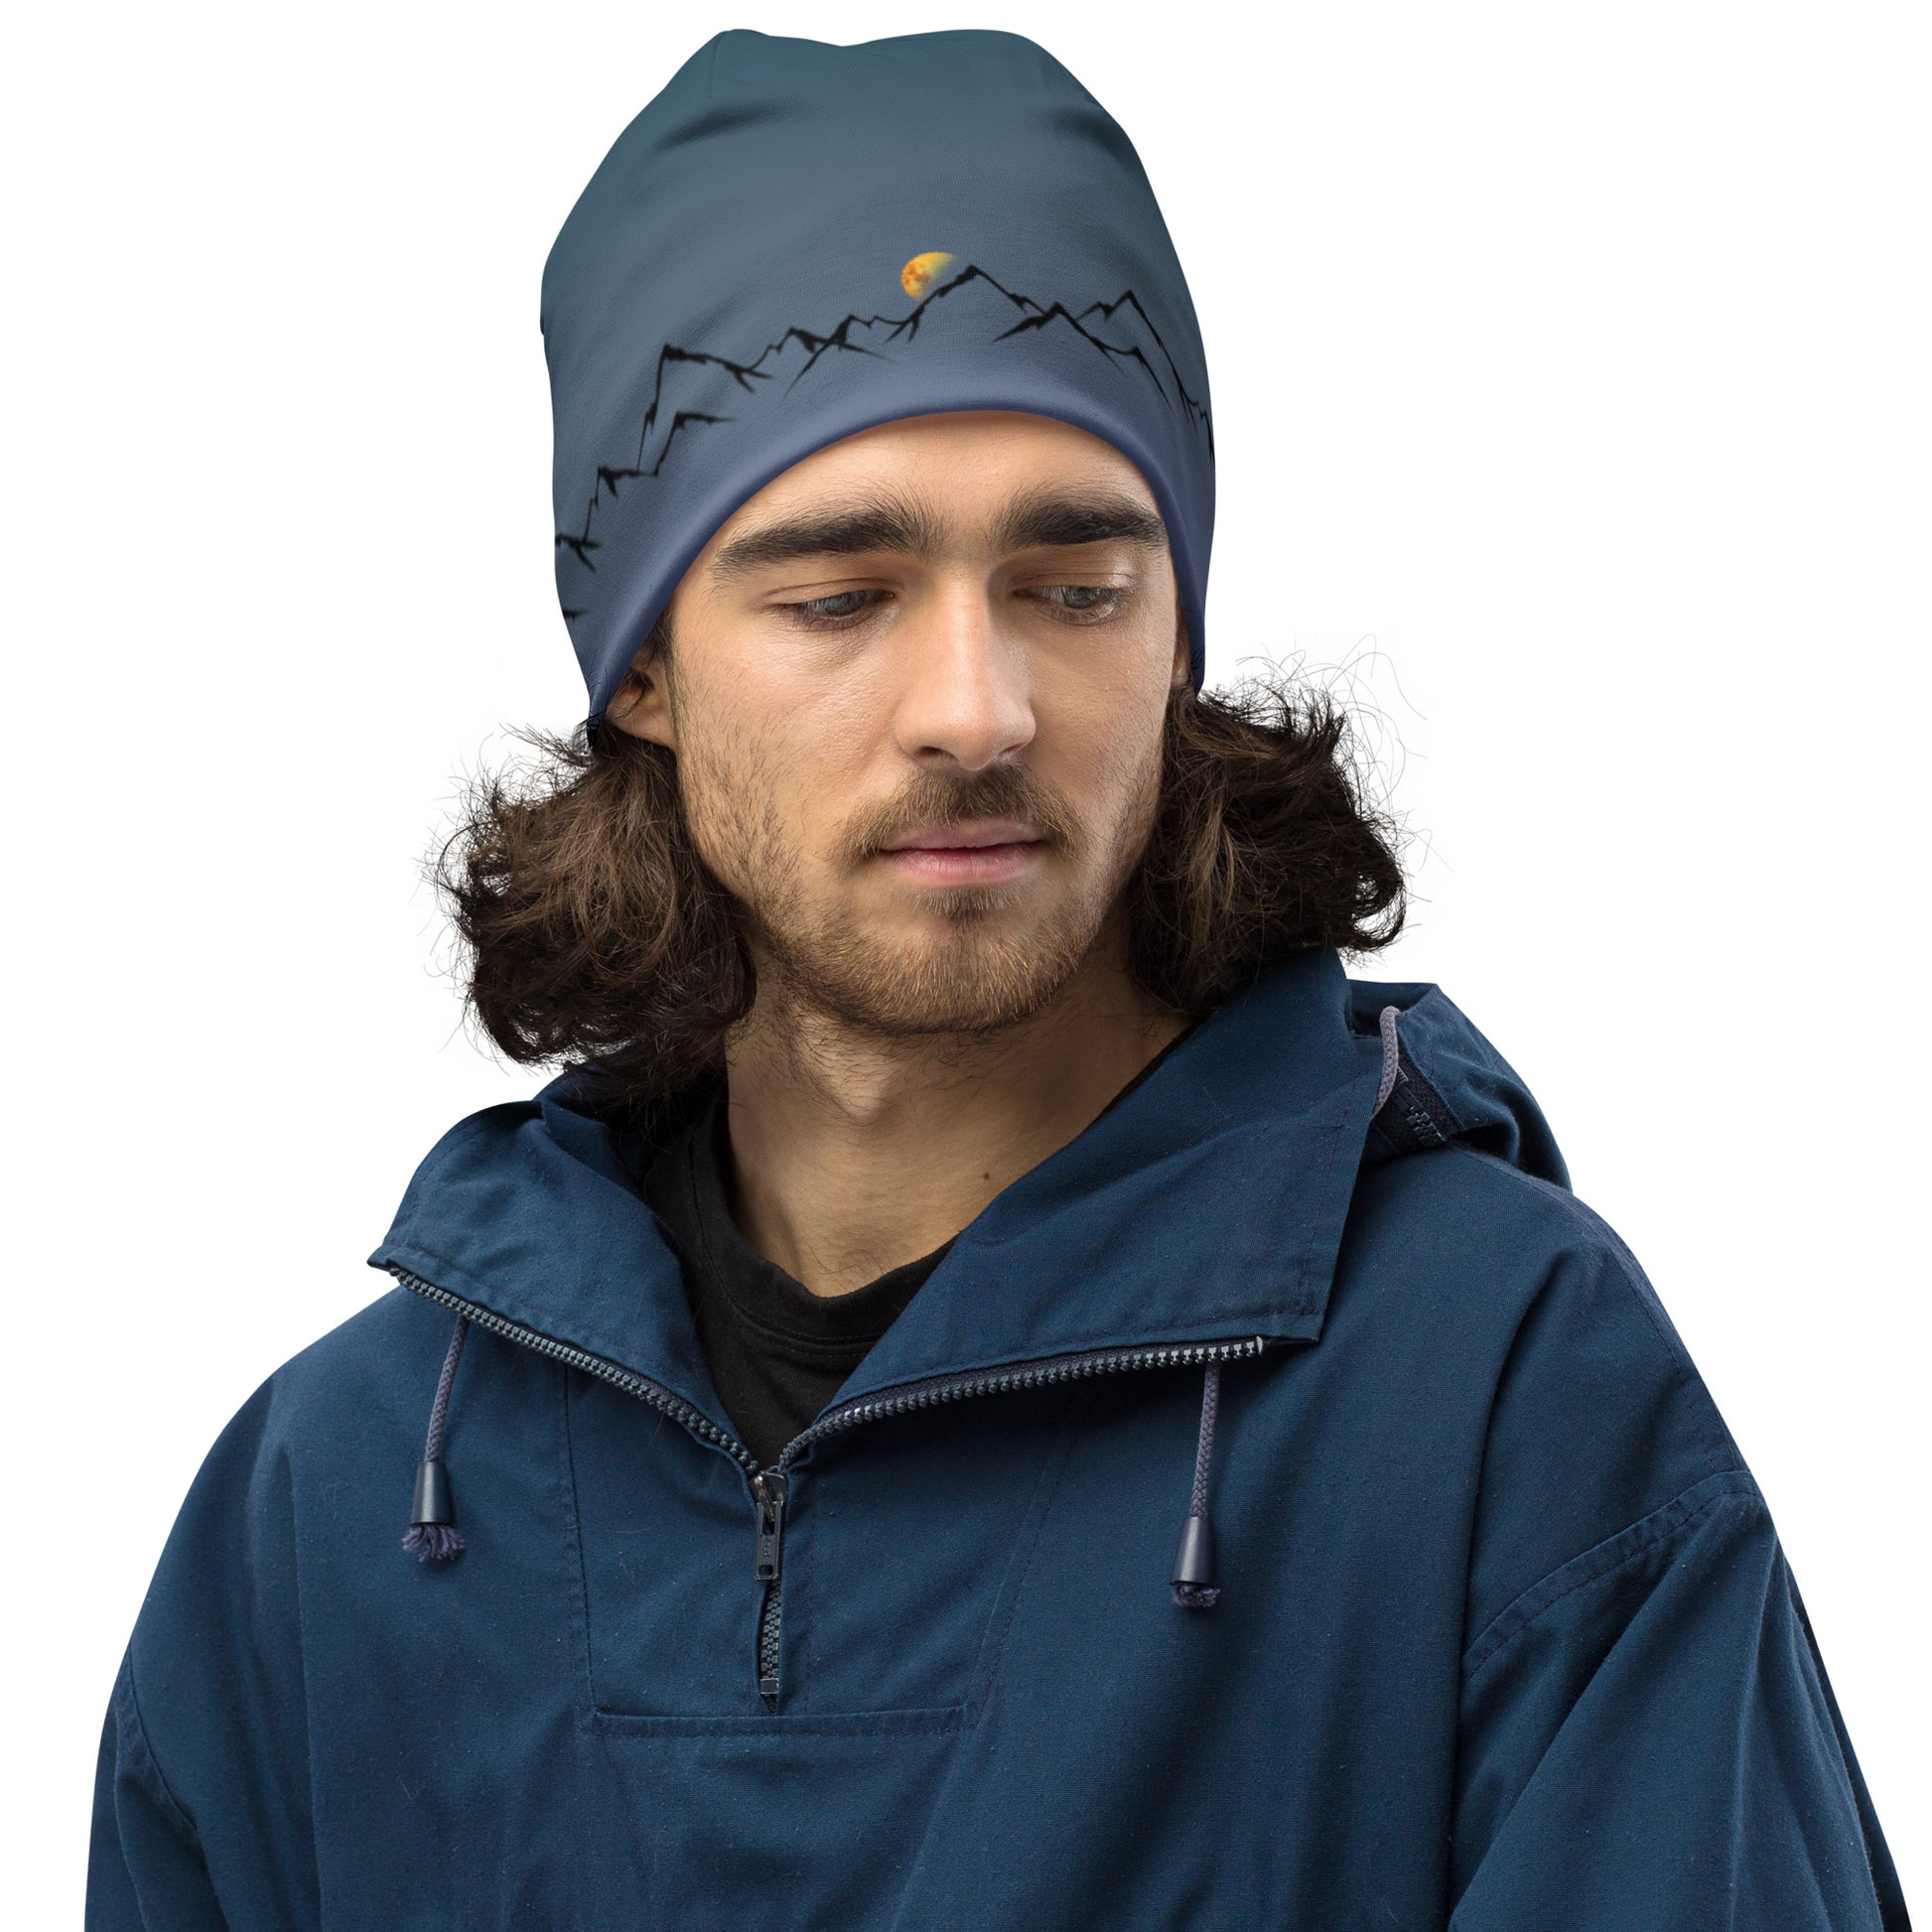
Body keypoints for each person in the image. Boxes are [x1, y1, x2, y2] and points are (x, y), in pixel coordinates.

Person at [87, 28, 1909, 1931]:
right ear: (641, 669)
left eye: (1074, 587)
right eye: (838, 597)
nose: (978, 707)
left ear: (1176, 633)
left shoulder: (1500, 1393)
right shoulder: (339, 1496)